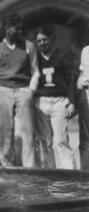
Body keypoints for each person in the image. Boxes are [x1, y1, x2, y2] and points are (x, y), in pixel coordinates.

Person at [0, 13, 39, 167]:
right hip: (4, 91)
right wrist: (4, 81)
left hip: (23, 90)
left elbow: (35, 71)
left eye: (21, 29)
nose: (20, 32)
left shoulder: (29, 46)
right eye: (16, 29)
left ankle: (29, 166)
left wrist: (31, 90)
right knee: (5, 130)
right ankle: (7, 164)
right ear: (7, 29)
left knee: (26, 130)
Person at [33, 25, 76, 169]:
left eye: (44, 40)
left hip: (59, 101)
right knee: (45, 141)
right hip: (41, 101)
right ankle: (49, 174)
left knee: (61, 140)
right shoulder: (35, 59)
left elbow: (71, 80)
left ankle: (70, 174)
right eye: (38, 41)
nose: (42, 43)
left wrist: (72, 102)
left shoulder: (62, 55)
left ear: (51, 39)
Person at [77, 45, 89, 170]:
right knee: (86, 140)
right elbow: (81, 74)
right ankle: (85, 176)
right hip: (86, 94)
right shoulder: (85, 50)